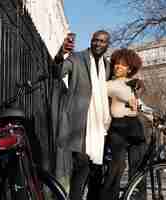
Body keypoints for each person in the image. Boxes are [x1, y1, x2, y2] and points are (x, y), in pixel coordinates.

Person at [53, 30, 112, 200]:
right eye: (95, 40)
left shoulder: (107, 66)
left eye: (102, 41)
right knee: (82, 166)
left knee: (91, 171)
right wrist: (62, 53)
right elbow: (57, 73)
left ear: (107, 45)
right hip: (78, 125)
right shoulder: (76, 58)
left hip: (98, 127)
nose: (98, 44)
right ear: (91, 41)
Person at [99, 48, 146, 200]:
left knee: (138, 167)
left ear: (130, 68)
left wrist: (154, 118)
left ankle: (138, 197)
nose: (117, 67)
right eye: (116, 64)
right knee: (116, 167)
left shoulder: (134, 84)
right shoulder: (109, 84)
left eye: (122, 65)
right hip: (118, 127)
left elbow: (141, 105)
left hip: (135, 125)